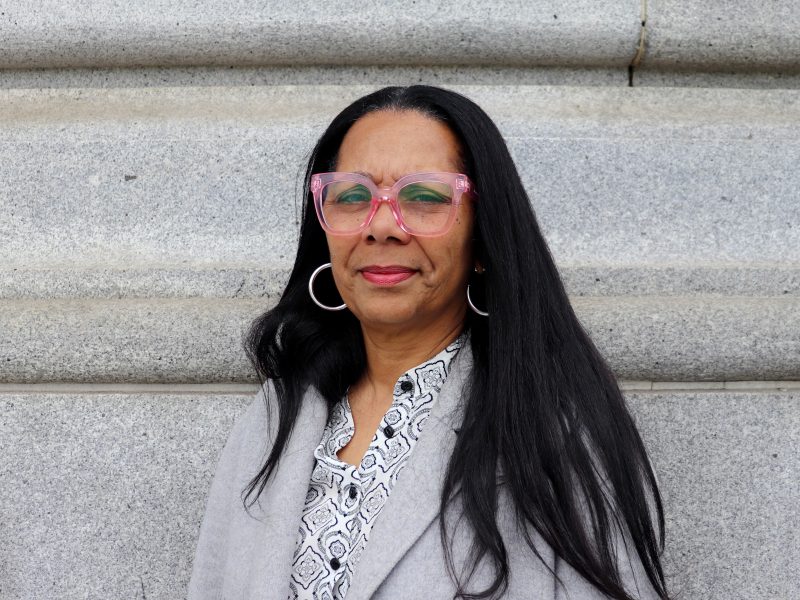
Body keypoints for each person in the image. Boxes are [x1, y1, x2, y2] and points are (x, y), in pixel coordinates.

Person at [188, 85, 669, 600]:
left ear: (483, 237)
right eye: (352, 196)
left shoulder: (552, 430)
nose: (382, 227)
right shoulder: (276, 416)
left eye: (424, 198)